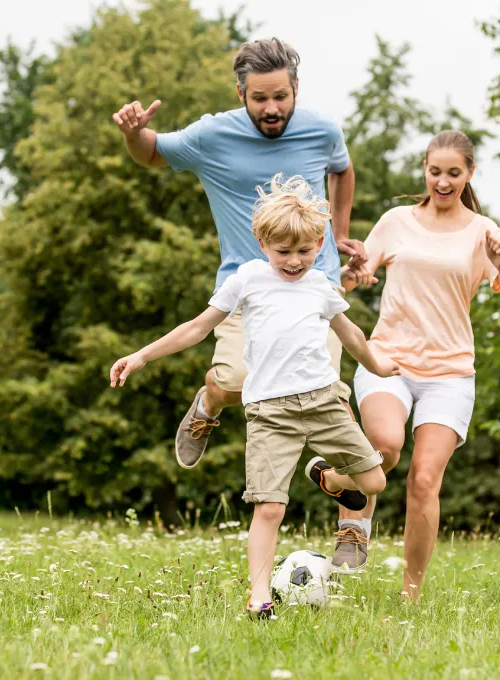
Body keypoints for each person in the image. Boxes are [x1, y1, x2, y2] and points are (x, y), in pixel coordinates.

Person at [108, 175, 397, 618]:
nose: (295, 261)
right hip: (270, 414)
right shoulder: (248, 280)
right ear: (262, 242)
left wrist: (380, 367)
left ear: (320, 243)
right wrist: (142, 355)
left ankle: (326, 476)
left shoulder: (321, 286)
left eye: (304, 251)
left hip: (322, 403)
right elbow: (197, 327)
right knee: (269, 507)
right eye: (284, 252)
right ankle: (259, 596)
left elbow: (352, 335)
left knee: (374, 481)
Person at [112, 37, 365, 470]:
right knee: (236, 384)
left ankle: (353, 531)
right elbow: (151, 153)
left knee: (332, 400)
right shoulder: (212, 135)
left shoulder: (322, 131)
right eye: (260, 98)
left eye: (280, 97)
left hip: (315, 284)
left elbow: (341, 168)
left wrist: (338, 234)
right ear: (241, 94)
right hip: (246, 290)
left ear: (296, 89)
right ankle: (209, 401)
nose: (271, 109)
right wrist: (134, 133)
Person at [329, 130, 500, 599]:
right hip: (389, 358)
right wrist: (352, 276)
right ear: (425, 169)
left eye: (453, 173)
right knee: (385, 444)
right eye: (434, 171)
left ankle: (410, 593)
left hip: (451, 373)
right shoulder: (397, 221)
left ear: (469, 174)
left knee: (423, 480)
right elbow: (351, 280)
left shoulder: (482, 232)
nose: (442, 181)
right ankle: (352, 515)